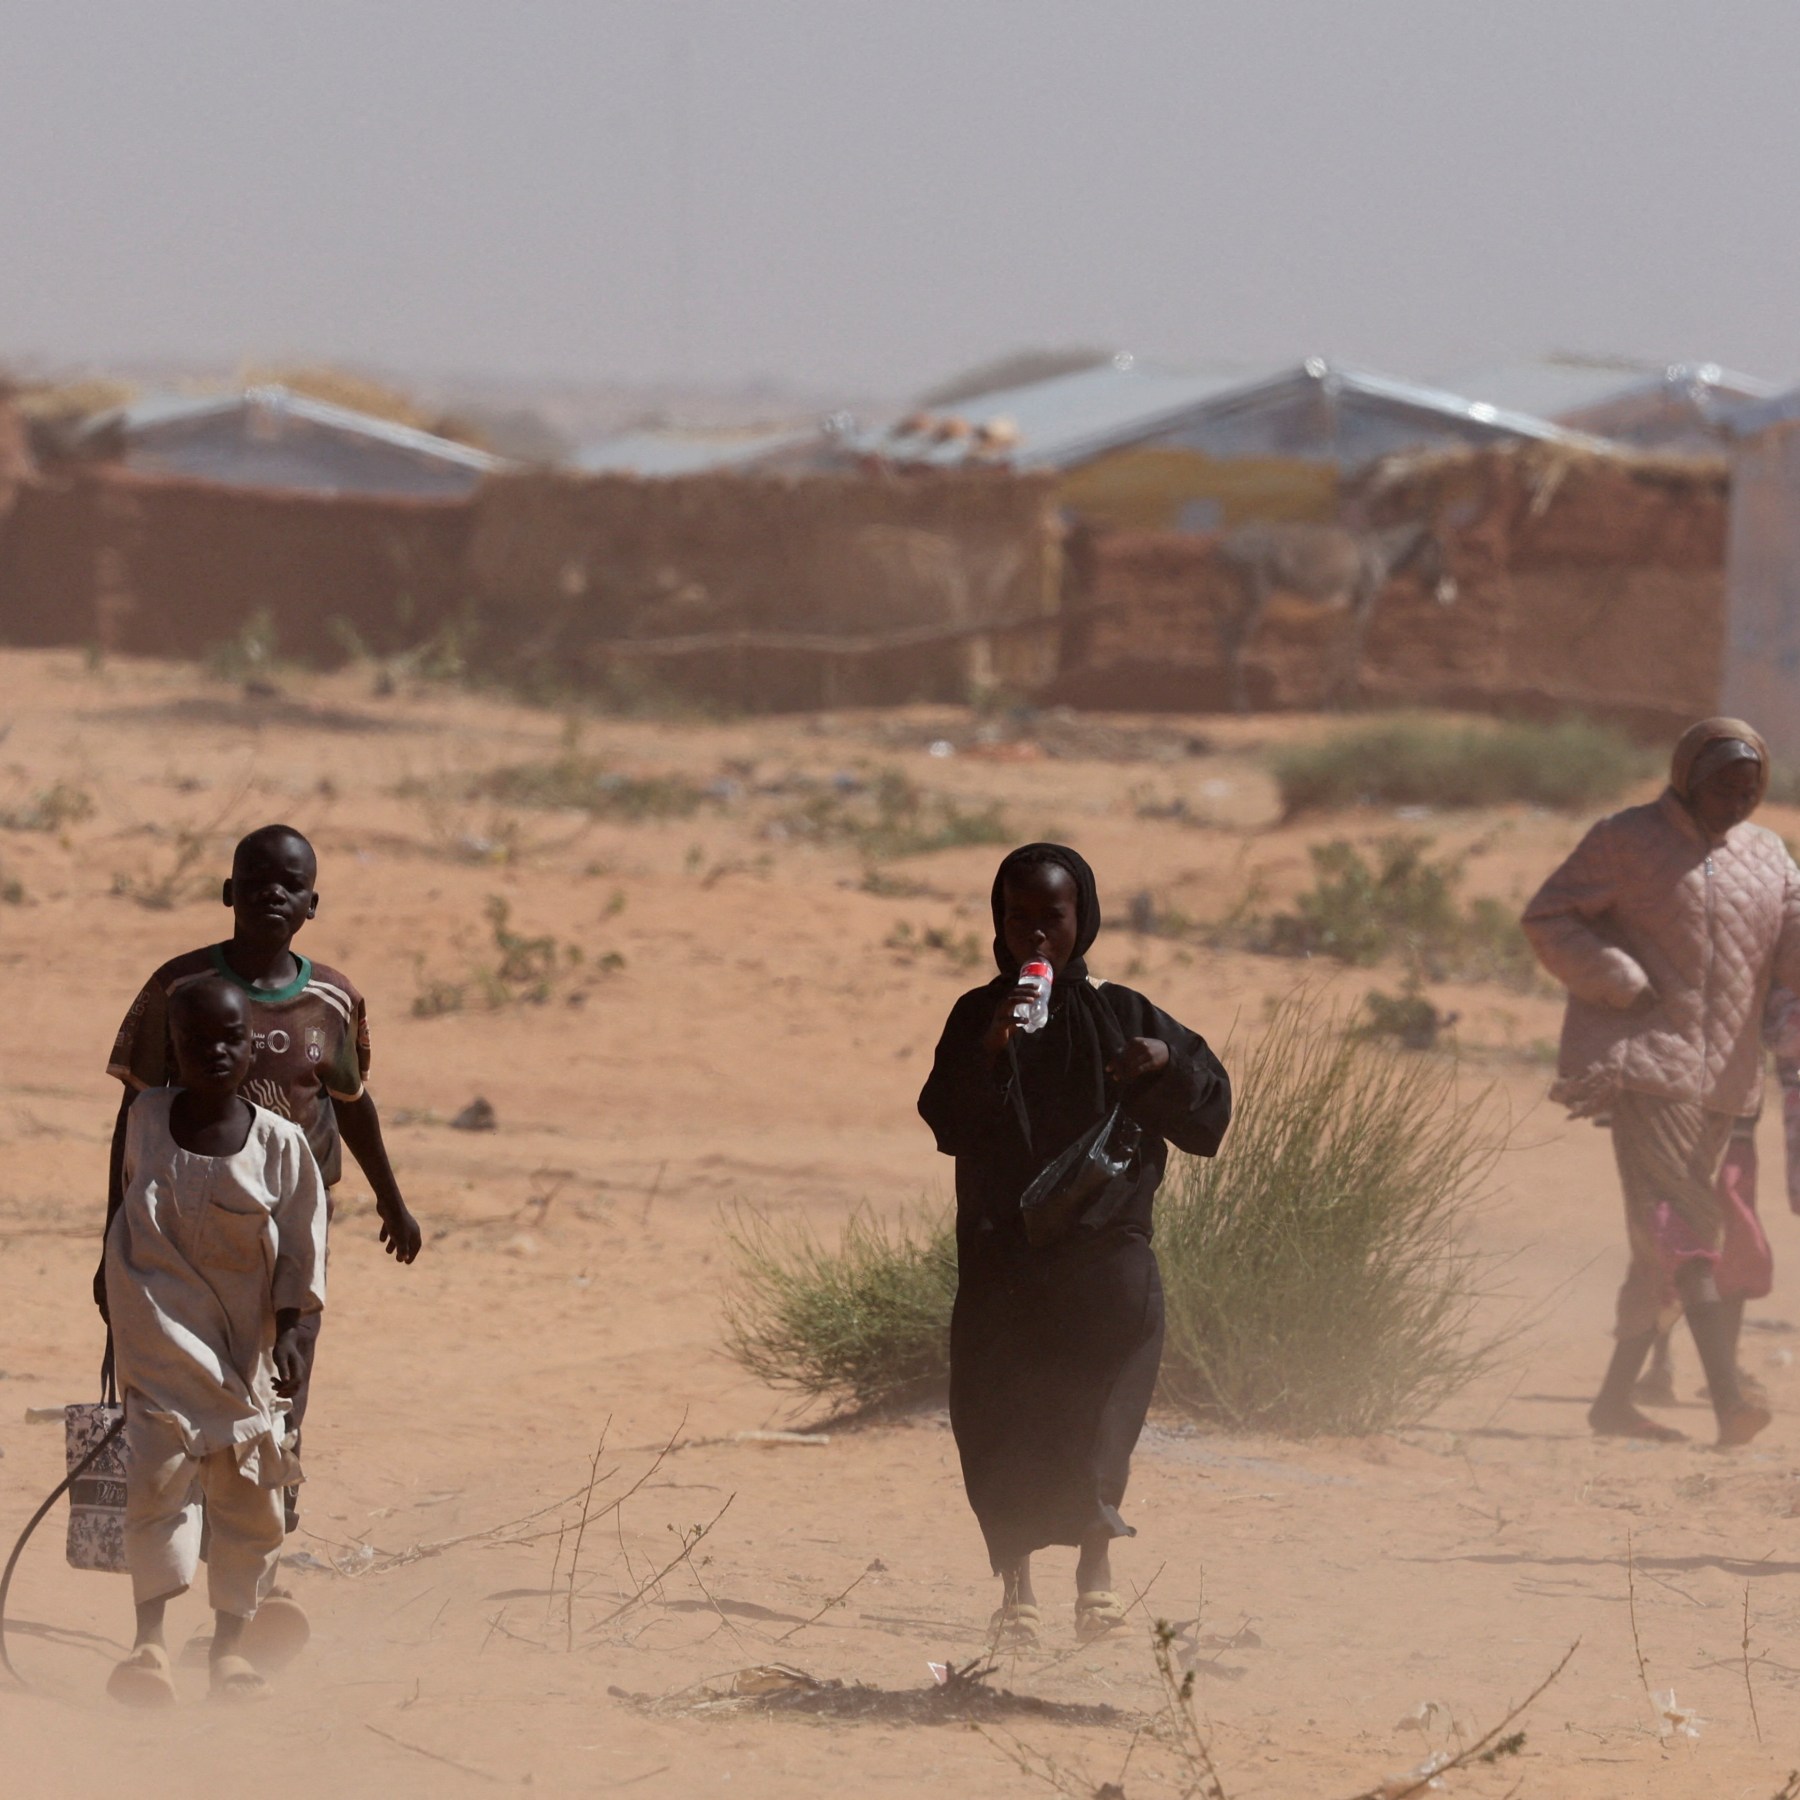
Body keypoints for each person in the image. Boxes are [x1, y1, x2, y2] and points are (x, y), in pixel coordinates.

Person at [918, 844, 1231, 1646]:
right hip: (1004, 1257)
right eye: (1016, 917)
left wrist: (1164, 1063)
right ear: (997, 923)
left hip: (1103, 1250)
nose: (1034, 935)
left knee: (1099, 1408)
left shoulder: (1123, 1013)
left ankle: (1096, 1574)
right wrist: (992, 1050)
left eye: (1050, 917)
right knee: (1002, 1416)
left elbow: (1209, 1114)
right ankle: (1016, 1591)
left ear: (1080, 919)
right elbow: (945, 1119)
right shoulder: (976, 1014)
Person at [97, 823, 421, 1533]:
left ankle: (270, 1502)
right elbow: (134, 1119)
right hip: (183, 1213)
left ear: (313, 903)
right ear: (228, 892)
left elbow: (351, 1104)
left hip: (292, 1218)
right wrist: (110, 1243)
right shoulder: (178, 987)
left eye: (290, 885)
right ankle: (190, 1512)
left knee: (286, 1353)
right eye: (255, 882)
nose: (272, 894)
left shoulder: (333, 999)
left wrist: (391, 1201)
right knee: (187, 1353)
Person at [1523, 717, 1800, 1448]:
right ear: (1686, 778)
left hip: (1728, 1081)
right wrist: (1618, 979)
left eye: (1749, 789)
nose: (1736, 801)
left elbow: (1792, 951)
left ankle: (1613, 1402)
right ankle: (1729, 1400)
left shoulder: (1769, 856)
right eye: (1722, 787)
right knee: (1682, 1227)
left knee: (1666, 1236)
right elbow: (1550, 916)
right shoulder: (1627, 839)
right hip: (1645, 1063)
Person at [103, 975, 327, 1706]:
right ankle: (148, 1646)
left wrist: (292, 1332)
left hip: (241, 1354)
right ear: (174, 1049)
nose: (216, 1053)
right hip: (157, 1338)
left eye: (231, 1039)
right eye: (197, 1041)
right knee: (156, 1486)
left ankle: (228, 1651)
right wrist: (109, 1300)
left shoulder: (282, 1146)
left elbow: (301, 1252)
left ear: (251, 1047)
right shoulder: (145, 1117)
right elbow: (122, 1212)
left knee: (248, 1500)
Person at [1635, 986, 1800, 1407]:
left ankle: (1717, 1368)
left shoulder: (1774, 954)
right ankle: (1663, 1364)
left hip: (1731, 1107)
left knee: (1733, 1235)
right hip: (1681, 1097)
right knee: (1675, 1231)